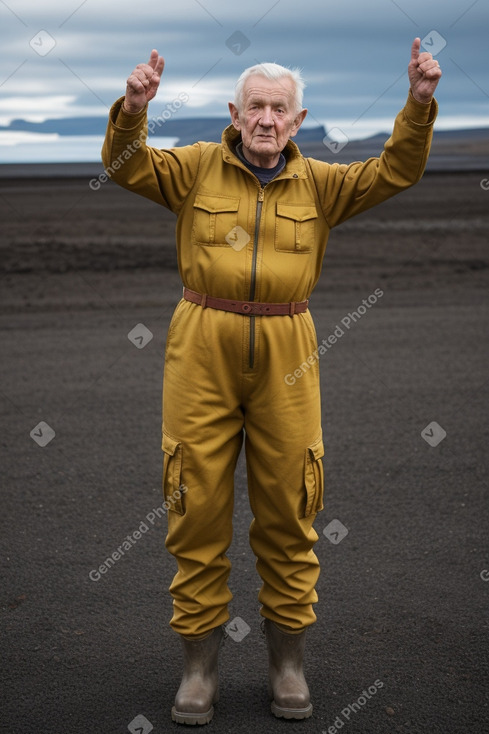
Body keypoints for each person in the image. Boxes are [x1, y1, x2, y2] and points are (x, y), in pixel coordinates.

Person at [102, 38, 441, 725]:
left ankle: (287, 664)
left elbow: (395, 171)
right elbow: (123, 165)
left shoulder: (319, 182)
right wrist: (132, 110)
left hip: (288, 349)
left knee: (291, 508)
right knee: (193, 504)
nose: (264, 118)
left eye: (277, 109)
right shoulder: (195, 170)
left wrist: (417, 104)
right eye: (254, 106)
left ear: (296, 118)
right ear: (234, 113)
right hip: (202, 344)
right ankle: (198, 673)